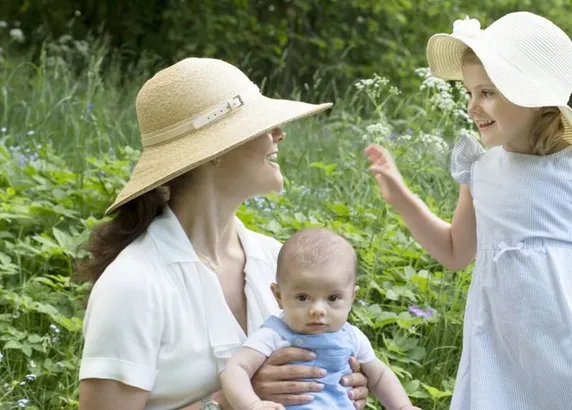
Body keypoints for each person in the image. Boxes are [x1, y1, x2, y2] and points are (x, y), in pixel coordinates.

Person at [364, 12, 572, 410]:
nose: (471, 107)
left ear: (532, 98)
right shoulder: (480, 171)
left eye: (486, 93)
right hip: (498, 351)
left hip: (569, 348)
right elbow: (454, 251)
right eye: (469, 92)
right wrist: (401, 199)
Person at [75, 57, 370, 410]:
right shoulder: (134, 284)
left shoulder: (276, 258)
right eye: (260, 124)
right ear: (215, 152)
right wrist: (231, 400)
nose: (279, 133)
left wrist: (340, 386)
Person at [220, 227, 421, 410]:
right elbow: (235, 369)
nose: (317, 310)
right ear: (279, 296)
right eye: (302, 297)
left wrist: (403, 407)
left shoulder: (352, 337)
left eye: (332, 298)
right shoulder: (274, 335)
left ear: (352, 297)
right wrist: (252, 404)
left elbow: (380, 377)